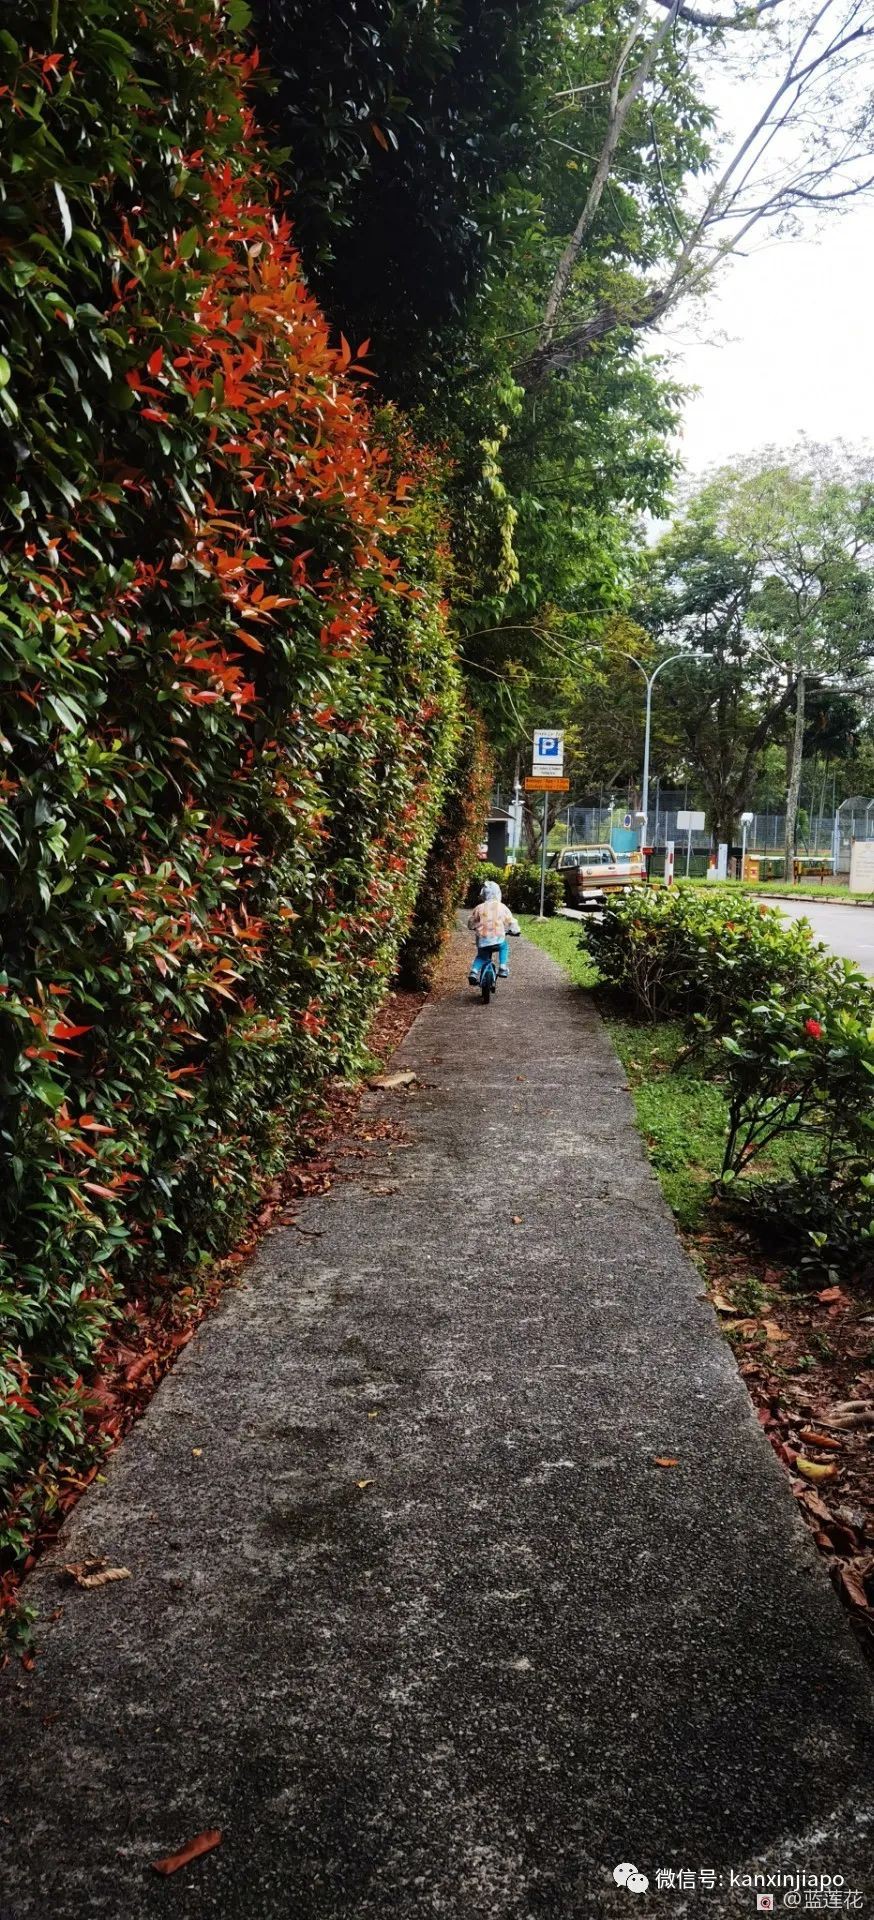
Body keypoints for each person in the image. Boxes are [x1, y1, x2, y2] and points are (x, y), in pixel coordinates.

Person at [467, 881, 520, 985]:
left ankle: (473, 972)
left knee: (481, 956)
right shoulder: (502, 907)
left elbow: (471, 922)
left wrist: (472, 927)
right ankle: (503, 967)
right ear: (498, 893)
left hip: (483, 940)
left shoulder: (479, 907)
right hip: (498, 939)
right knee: (504, 946)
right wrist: (515, 930)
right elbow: (511, 921)